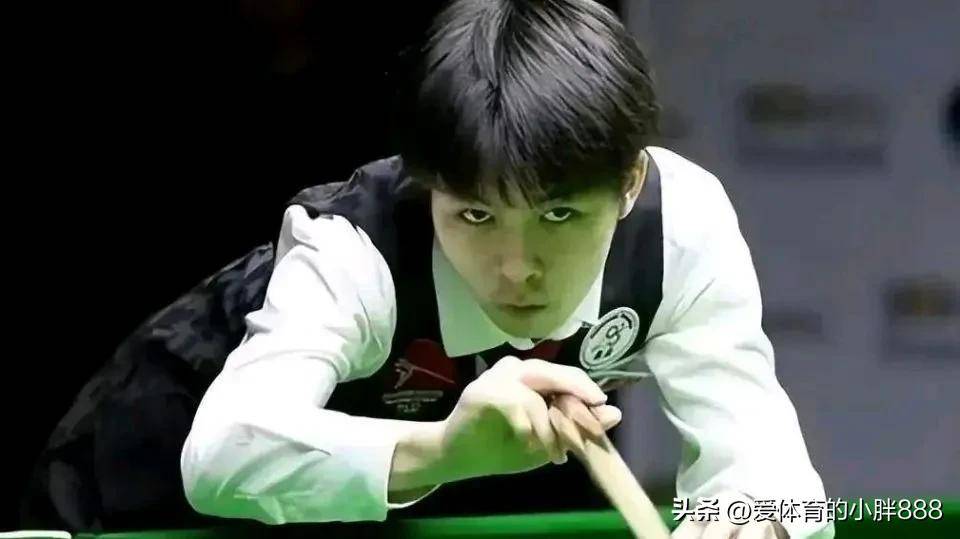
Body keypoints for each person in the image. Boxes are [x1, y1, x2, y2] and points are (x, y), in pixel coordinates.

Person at [23, 1, 833, 538]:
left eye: (558, 216)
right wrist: (446, 449)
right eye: (475, 215)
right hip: (138, 491)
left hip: (381, 499)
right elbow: (223, 457)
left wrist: (750, 521)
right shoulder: (354, 247)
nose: (517, 266)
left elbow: (765, 470)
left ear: (627, 184)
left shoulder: (678, 226)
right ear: (429, 184)